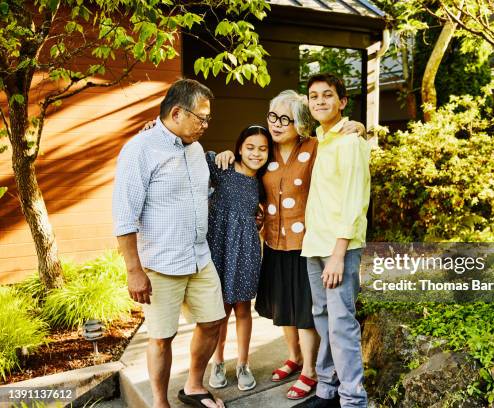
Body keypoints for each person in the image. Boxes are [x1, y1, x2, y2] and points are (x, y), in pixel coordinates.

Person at [215, 90, 365, 401]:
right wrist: (225, 155)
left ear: (300, 122)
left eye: (286, 119)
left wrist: (362, 128)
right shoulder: (264, 152)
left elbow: (344, 150)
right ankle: (294, 357)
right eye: (274, 117)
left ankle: (310, 370)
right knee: (283, 308)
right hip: (273, 240)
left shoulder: (315, 146)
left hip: (307, 242)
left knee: (307, 311)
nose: (278, 124)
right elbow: (243, 168)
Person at [112, 79, 226, 408]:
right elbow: (124, 216)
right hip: (160, 264)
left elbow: (201, 196)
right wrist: (134, 270)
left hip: (198, 258)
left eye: (208, 119)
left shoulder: (194, 150)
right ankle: (160, 403)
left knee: (212, 322)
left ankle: (193, 386)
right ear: (177, 112)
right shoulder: (139, 149)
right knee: (162, 337)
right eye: (201, 118)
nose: (205, 124)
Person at [295, 73, 371, 408]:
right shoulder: (321, 139)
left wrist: (339, 254)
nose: (320, 101)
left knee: (341, 324)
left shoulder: (350, 141)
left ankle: (353, 400)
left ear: (342, 102)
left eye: (328, 95)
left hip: (339, 248)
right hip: (315, 244)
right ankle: (327, 390)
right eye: (314, 96)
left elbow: (356, 200)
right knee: (323, 317)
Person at [205, 125, 273, 392]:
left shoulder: (263, 182)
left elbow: (268, 211)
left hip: (245, 248)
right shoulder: (223, 169)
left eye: (263, 149)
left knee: (243, 308)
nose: (256, 153)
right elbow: (192, 155)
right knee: (220, 310)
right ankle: (218, 362)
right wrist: (219, 154)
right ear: (239, 148)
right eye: (250, 147)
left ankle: (243, 363)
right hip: (218, 245)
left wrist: (261, 219)